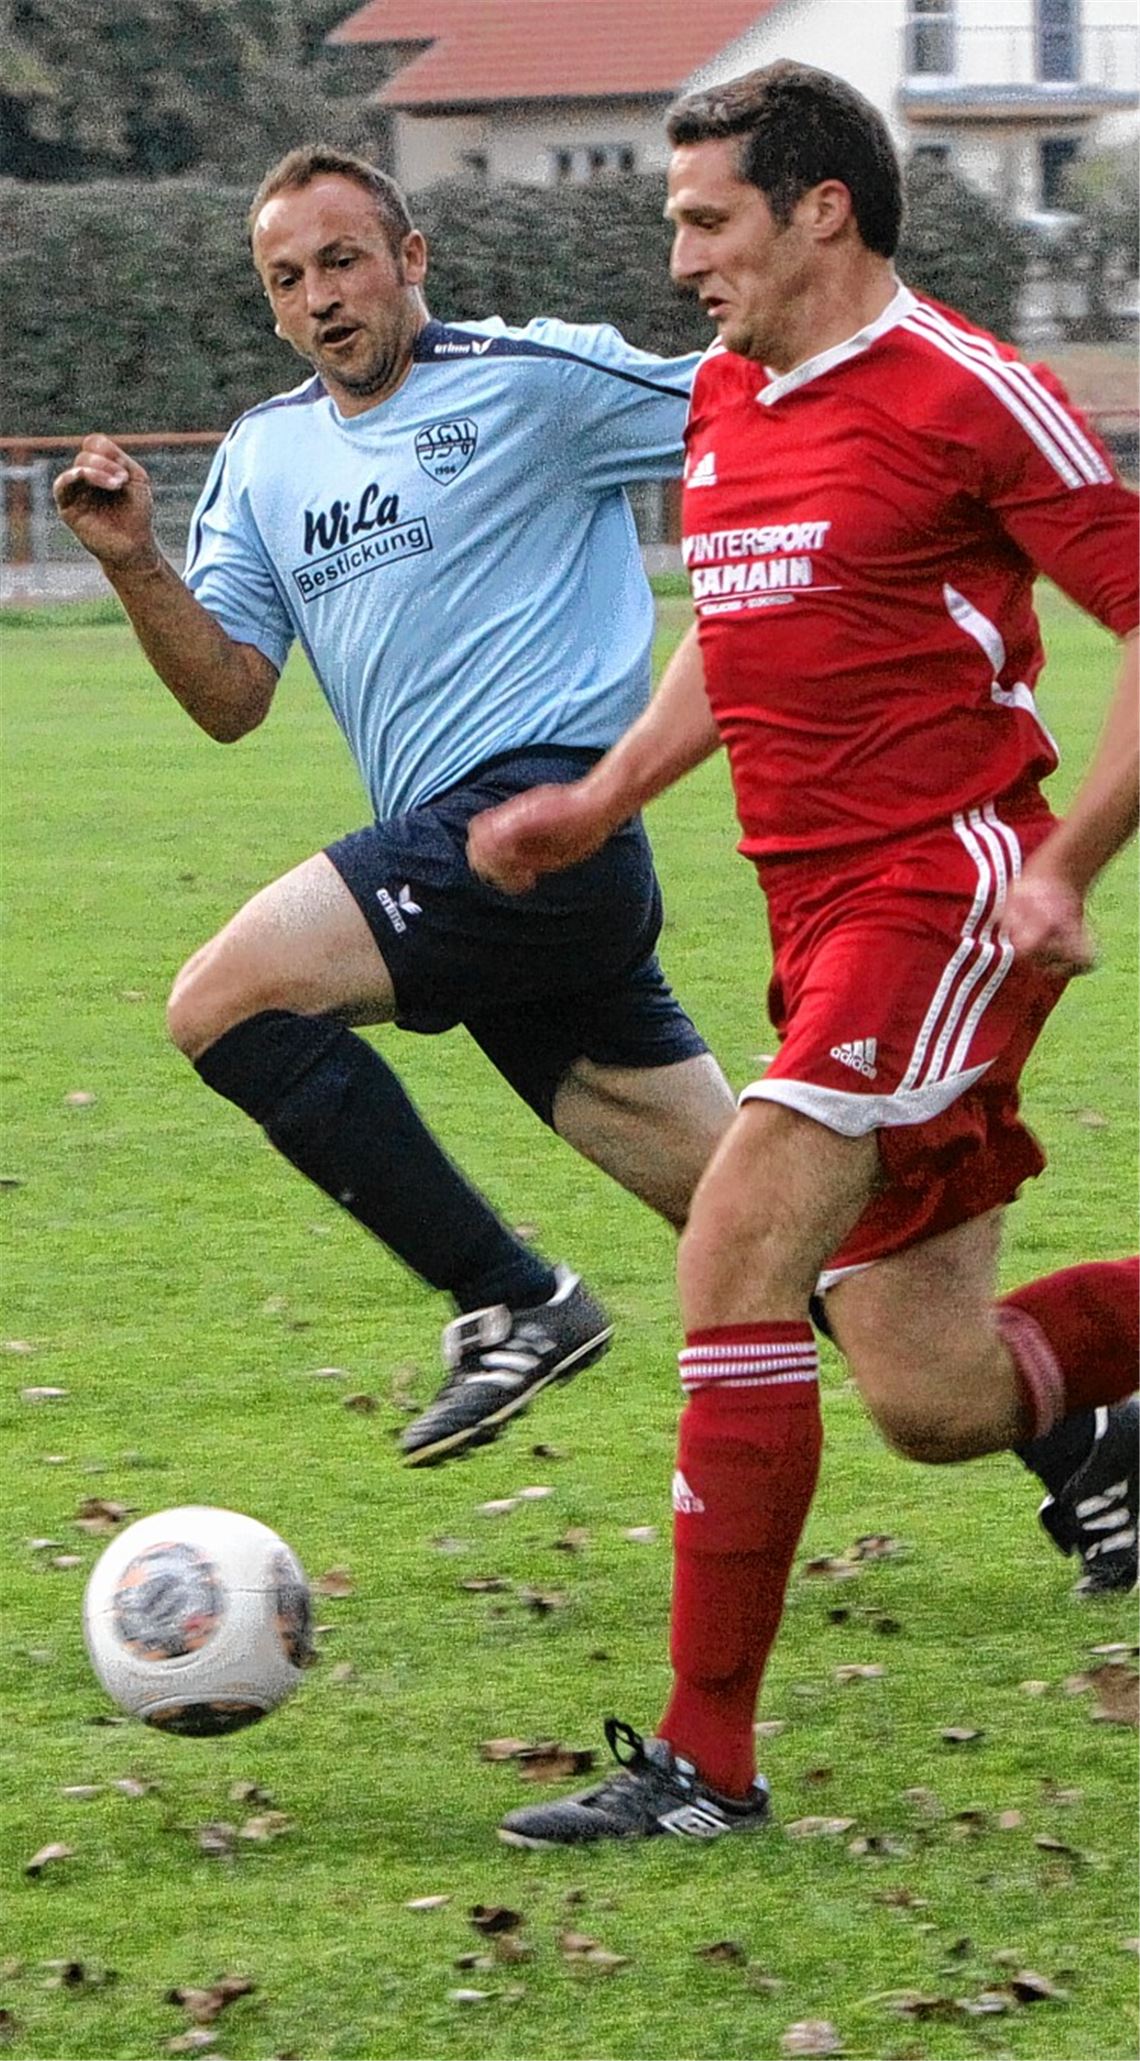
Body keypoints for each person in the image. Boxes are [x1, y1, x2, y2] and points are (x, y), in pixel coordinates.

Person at [466, 63, 1140, 1848]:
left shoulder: (973, 394)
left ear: (819, 207)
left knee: (739, 1244)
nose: (680, 253)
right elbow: (742, 624)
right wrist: (604, 793)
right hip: (818, 924)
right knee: (935, 1393)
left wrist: (1071, 859)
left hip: (945, 898)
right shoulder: (729, 400)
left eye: (705, 217)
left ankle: (706, 1764)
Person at [53, 144, 739, 1468]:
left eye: (345, 260)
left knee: (223, 999)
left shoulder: (533, 383)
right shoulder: (262, 456)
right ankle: (1085, 1440)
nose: (320, 296)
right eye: (287, 277)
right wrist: (136, 559)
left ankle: (514, 1299)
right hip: (478, 875)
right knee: (756, 1216)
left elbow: (759, 400)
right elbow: (231, 694)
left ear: (410, 260)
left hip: (552, 820)